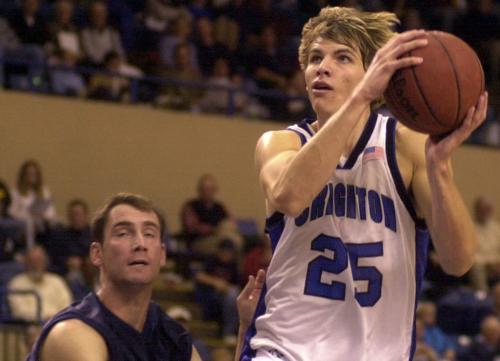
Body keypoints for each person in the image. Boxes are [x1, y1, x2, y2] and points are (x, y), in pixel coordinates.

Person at [244, 6, 488, 361]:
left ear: (373, 72)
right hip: (285, 352)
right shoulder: (281, 143)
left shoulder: (405, 146)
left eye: (343, 57)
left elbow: (458, 261)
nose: (322, 67)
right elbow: (291, 196)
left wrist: (441, 168)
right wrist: (359, 99)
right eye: (314, 58)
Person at [26, 193, 265, 361]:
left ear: (161, 255)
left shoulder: (172, 338)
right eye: (123, 232)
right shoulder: (72, 333)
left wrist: (245, 326)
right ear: (97, 254)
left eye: (149, 234)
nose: (140, 243)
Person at [8, 245, 73, 322]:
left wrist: (55, 318)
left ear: (46, 262)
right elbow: (18, 312)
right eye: (32, 261)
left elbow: (68, 305)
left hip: (58, 324)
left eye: (39, 261)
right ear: (25, 263)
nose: (36, 265)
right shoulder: (16, 284)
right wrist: (43, 318)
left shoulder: (57, 281)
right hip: (31, 327)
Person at [9, 159, 58, 248]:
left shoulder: (43, 191)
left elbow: (50, 210)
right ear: (23, 175)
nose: (31, 176)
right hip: (23, 226)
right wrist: (28, 215)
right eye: (28, 174)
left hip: (42, 224)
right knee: (29, 224)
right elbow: (12, 213)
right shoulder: (16, 192)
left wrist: (44, 216)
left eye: (34, 174)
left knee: (56, 225)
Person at [470, 196, 500, 291]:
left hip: (496, 262)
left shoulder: (497, 228)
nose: (485, 211)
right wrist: (488, 263)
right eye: (483, 208)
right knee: (476, 268)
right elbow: (470, 254)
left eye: (488, 208)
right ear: (477, 209)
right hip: (480, 264)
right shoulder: (469, 227)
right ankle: (483, 298)